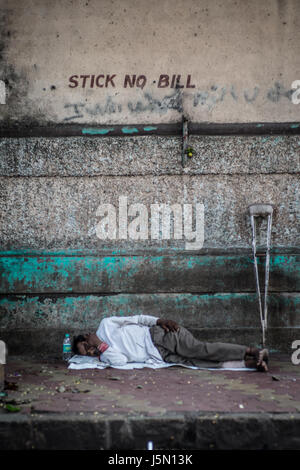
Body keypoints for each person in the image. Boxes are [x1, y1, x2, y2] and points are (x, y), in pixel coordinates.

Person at [72, 315, 269, 371]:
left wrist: (160, 321)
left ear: (87, 336)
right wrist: (100, 346)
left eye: (86, 346)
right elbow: (122, 361)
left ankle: (253, 351)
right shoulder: (105, 354)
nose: (90, 352)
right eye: (87, 353)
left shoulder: (105, 325)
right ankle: (252, 363)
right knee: (197, 363)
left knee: (199, 349)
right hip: (160, 356)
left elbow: (138, 319)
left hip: (158, 335)